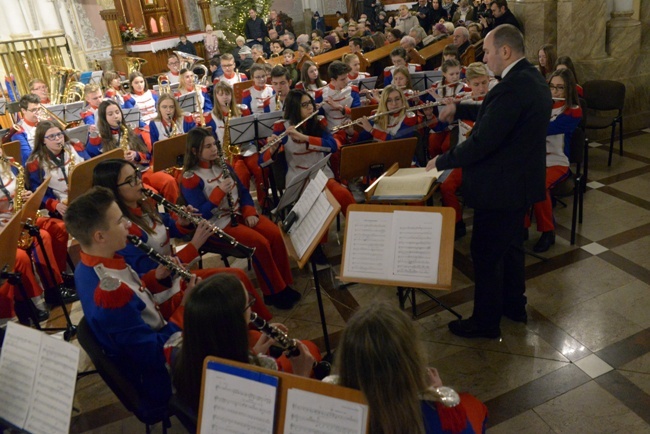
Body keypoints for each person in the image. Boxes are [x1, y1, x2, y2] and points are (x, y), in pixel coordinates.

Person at [426, 24, 552, 338]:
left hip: (500, 187)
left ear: (505, 51)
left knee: (485, 254)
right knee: (511, 248)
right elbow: (495, 113)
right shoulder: (531, 78)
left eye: (487, 50)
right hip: (520, 183)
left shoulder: (511, 87)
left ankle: (485, 322)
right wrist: (459, 108)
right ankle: (513, 305)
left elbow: (483, 141)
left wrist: (441, 161)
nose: (484, 56)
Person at [64, 186, 194, 414]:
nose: (128, 225)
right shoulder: (109, 293)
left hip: (156, 345)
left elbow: (135, 296)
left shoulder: (89, 265)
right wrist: (185, 310)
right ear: (100, 236)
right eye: (120, 221)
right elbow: (152, 353)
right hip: (161, 376)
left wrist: (156, 277)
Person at [91, 159, 271, 321]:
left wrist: (183, 222)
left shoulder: (144, 205)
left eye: (137, 174)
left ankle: (261, 330)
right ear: (113, 191)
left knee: (237, 278)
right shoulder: (123, 231)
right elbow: (152, 279)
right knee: (231, 287)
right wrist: (194, 245)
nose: (139, 181)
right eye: (130, 180)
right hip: (166, 295)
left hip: (178, 275)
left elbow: (170, 226)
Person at [181, 128, 301, 309]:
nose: (214, 149)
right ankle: (273, 292)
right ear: (194, 151)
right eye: (208, 146)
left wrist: (249, 211)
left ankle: (284, 283)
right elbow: (200, 215)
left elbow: (243, 192)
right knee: (259, 244)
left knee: (275, 234)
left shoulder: (223, 165)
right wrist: (218, 193)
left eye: (214, 144)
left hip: (240, 215)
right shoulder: (190, 178)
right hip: (217, 227)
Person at [328, 302, 488, 434]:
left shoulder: (327, 410)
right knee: (475, 405)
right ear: (411, 358)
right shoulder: (442, 414)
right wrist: (436, 393)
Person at [171, 274, 318, 413]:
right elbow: (278, 413)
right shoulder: (263, 368)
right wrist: (302, 376)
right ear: (235, 322)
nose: (252, 310)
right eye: (248, 304)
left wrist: (254, 351)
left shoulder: (176, 348)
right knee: (309, 348)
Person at [262, 89, 356, 217]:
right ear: (294, 108)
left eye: (310, 103)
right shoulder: (282, 127)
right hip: (299, 179)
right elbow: (261, 162)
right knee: (319, 212)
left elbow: (333, 146)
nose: (310, 107)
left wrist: (305, 138)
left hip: (321, 175)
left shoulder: (318, 122)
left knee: (343, 195)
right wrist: (272, 149)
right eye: (304, 105)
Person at [527, 68, 582, 253]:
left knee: (538, 185)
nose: (556, 92)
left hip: (558, 162)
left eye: (561, 88)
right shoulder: (544, 105)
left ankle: (548, 231)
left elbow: (548, 129)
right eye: (552, 87)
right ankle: (521, 227)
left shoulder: (573, 111)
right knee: (514, 179)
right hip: (536, 159)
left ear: (568, 90)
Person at [90, 100, 180, 203]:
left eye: (117, 112)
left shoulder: (130, 131)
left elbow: (147, 155)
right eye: (110, 114)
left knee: (169, 181)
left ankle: (176, 215)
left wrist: (136, 155)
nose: (115, 116)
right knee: (151, 195)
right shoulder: (100, 140)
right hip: (125, 179)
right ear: (103, 118)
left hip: (142, 171)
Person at [207, 81, 266, 208]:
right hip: (228, 155)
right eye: (221, 94)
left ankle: (264, 203)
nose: (225, 97)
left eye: (227, 93)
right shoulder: (211, 117)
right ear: (216, 96)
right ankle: (245, 206)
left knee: (260, 168)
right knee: (241, 175)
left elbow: (252, 131)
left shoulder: (242, 110)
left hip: (246, 149)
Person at [5, 94, 41, 164]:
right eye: (34, 110)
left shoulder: (46, 123)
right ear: (23, 110)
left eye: (39, 109)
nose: (38, 113)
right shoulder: (17, 130)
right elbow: (27, 156)